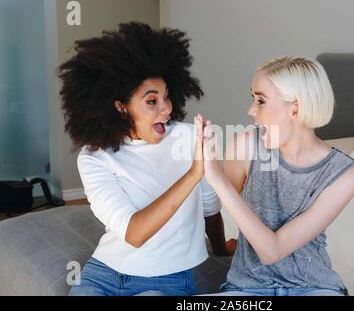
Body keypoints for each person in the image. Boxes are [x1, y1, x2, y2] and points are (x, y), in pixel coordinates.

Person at [59, 22, 235, 296]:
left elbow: (210, 208)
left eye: (166, 97)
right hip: (103, 272)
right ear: (121, 107)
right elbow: (134, 233)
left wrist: (222, 249)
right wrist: (193, 174)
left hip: (167, 279)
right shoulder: (95, 156)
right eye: (151, 101)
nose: (166, 108)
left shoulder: (190, 139)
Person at [199, 56, 354, 296]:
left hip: (314, 289)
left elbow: (273, 251)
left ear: (294, 108)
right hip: (246, 289)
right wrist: (221, 248)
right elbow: (217, 211)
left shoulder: (344, 174)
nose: (251, 110)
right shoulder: (245, 146)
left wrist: (216, 178)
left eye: (260, 101)